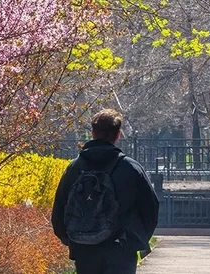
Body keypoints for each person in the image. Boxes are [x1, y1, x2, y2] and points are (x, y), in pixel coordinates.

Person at [52, 109, 159, 274]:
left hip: (84, 249)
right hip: (121, 248)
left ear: (93, 133)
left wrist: (72, 239)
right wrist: (137, 238)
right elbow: (151, 208)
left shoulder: (74, 168)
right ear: (118, 135)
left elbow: (59, 207)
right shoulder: (131, 168)